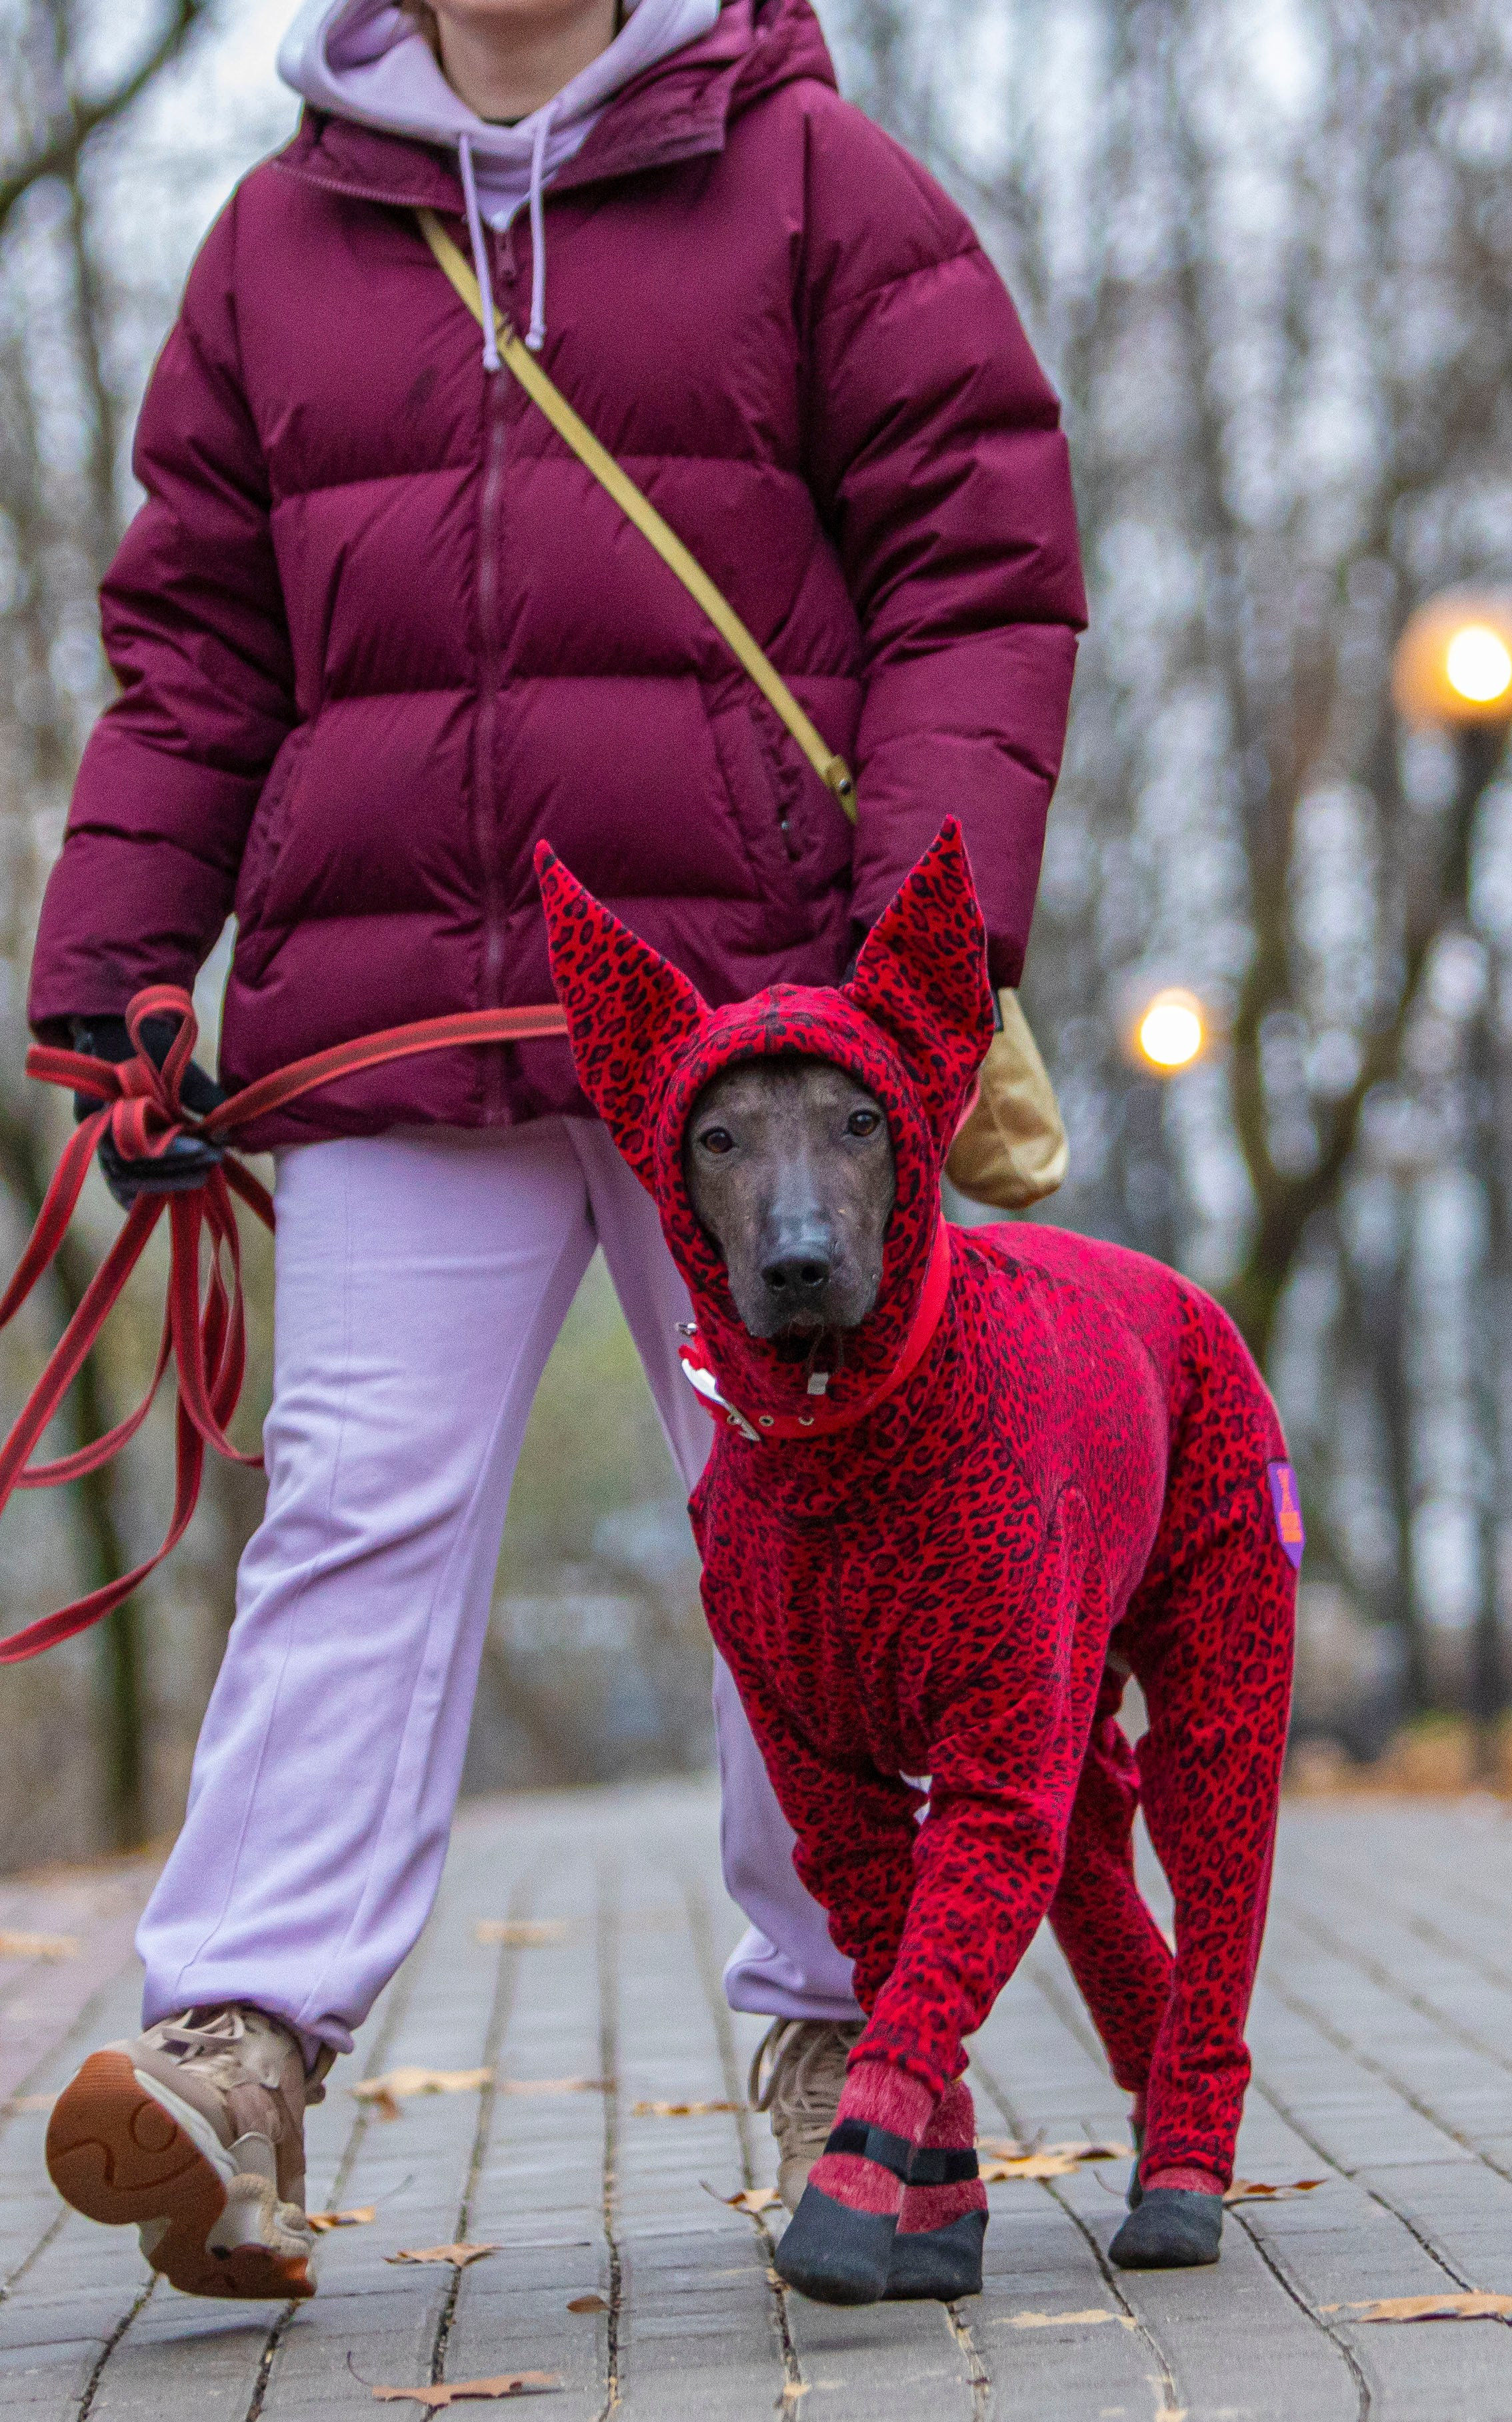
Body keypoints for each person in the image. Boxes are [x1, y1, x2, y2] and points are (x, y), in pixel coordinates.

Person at [31, 0, 1084, 2299]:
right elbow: (201, 647)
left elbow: (974, 565)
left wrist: (922, 943)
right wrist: (122, 956)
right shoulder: (274, 244)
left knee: (810, 1532)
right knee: (352, 1500)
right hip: (399, 1009)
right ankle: (240, 2042)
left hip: (748, 1028)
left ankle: (849, 2038)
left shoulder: (821, 187)